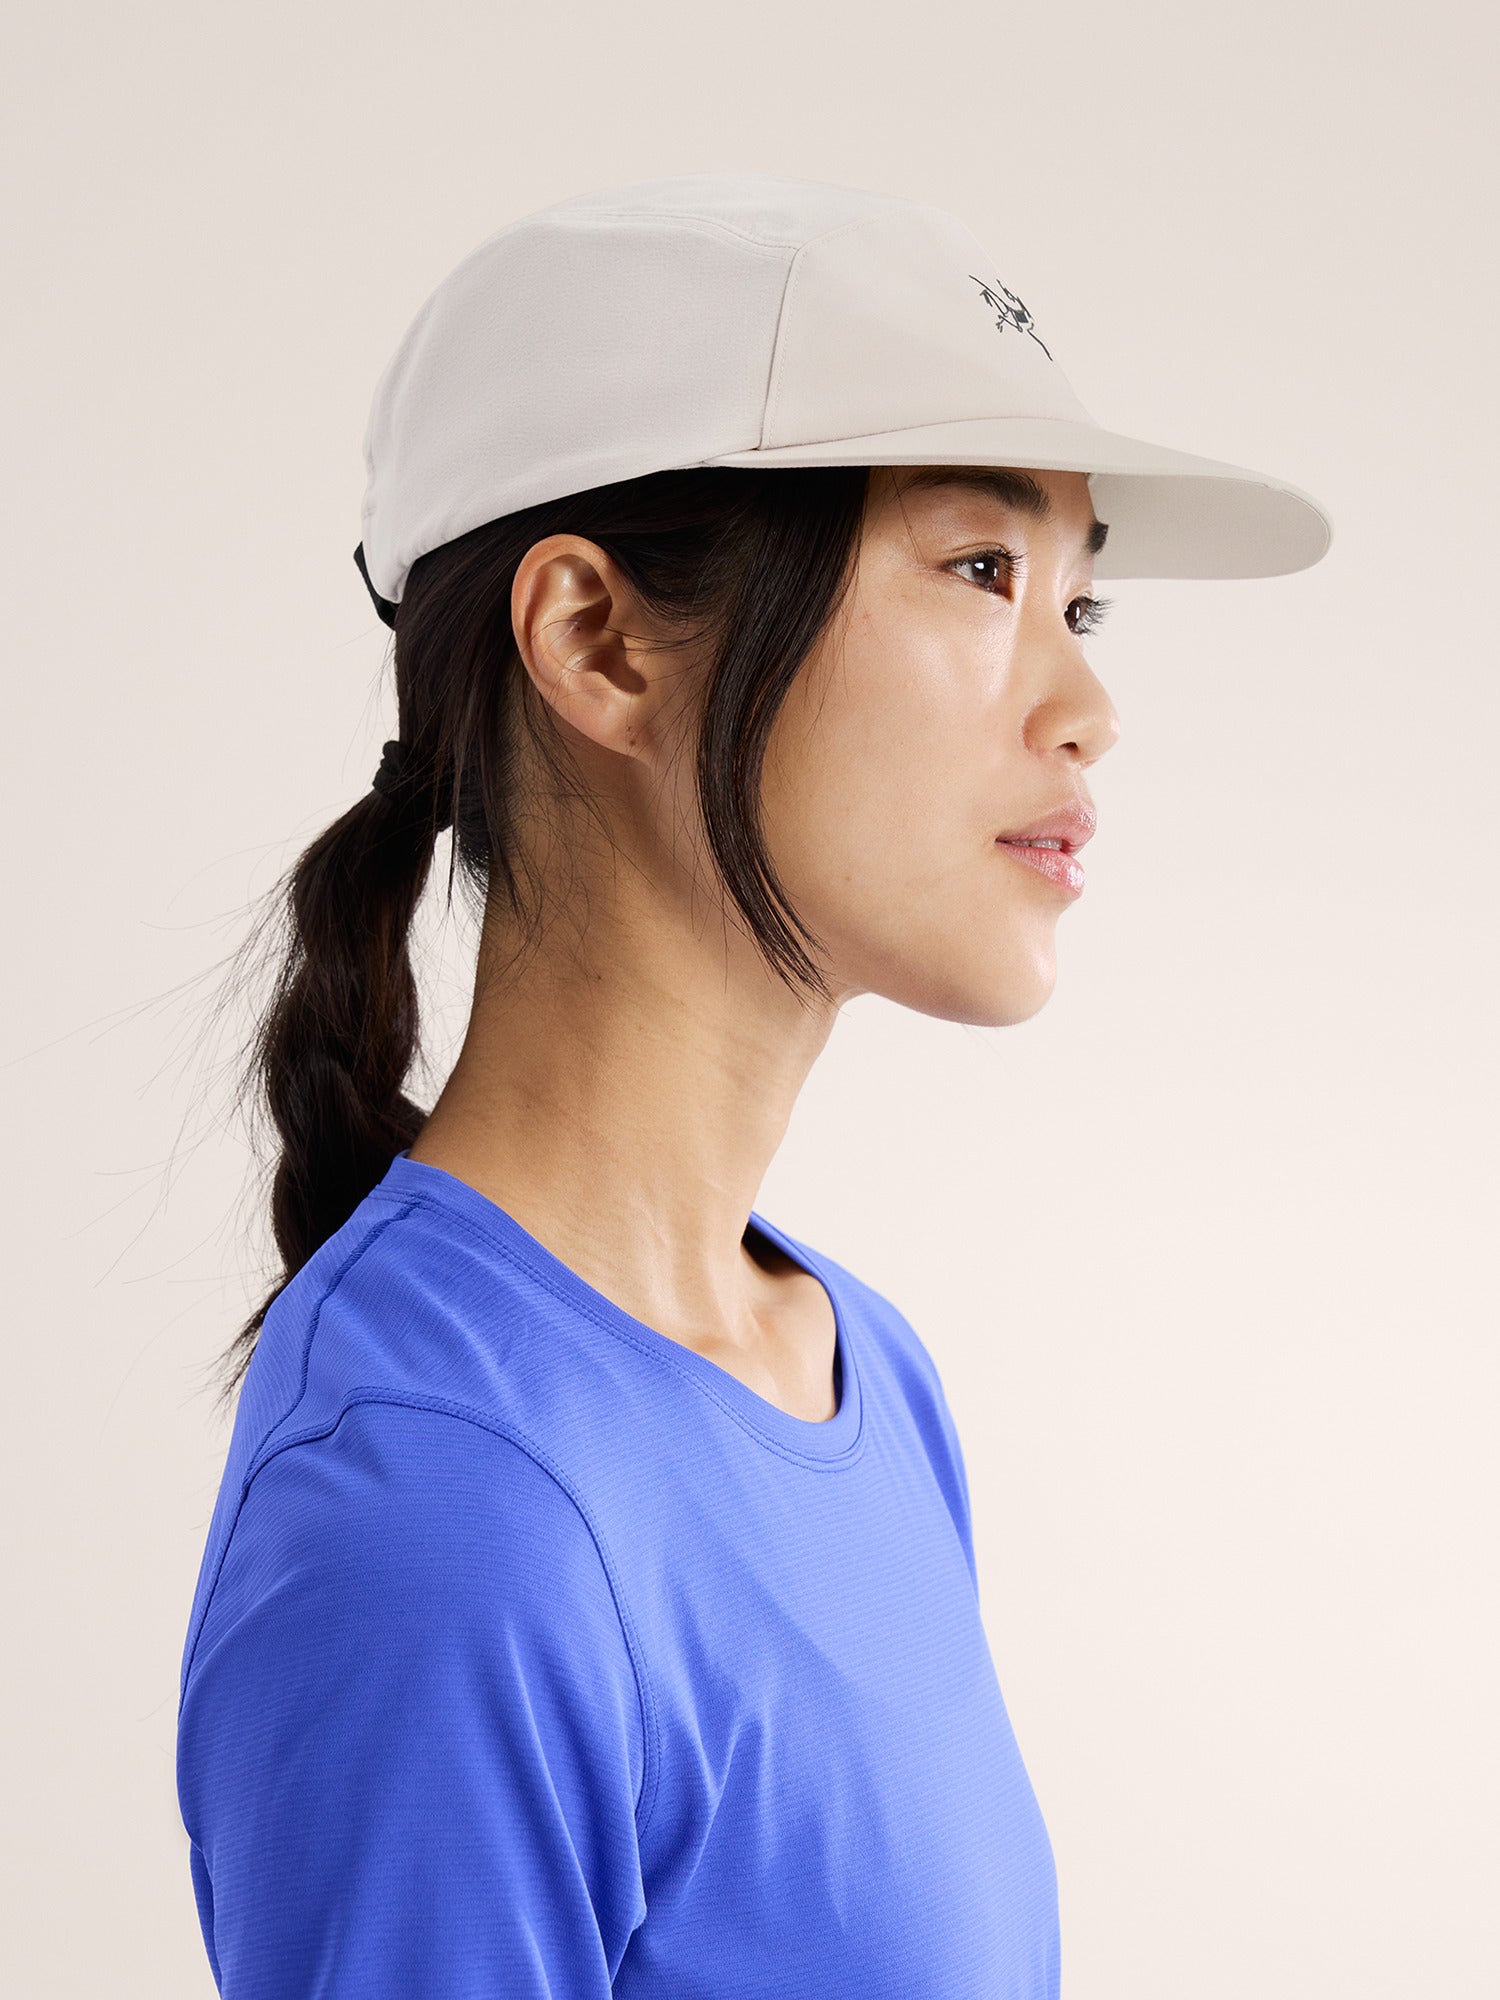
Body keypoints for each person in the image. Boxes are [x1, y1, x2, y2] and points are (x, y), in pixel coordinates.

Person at [174, 173, 1330, 1998]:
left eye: (1081, 604)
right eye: (981, 569)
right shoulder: (444, 1515)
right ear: (599, 642)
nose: (1087, 707)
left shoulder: (856, 1366)